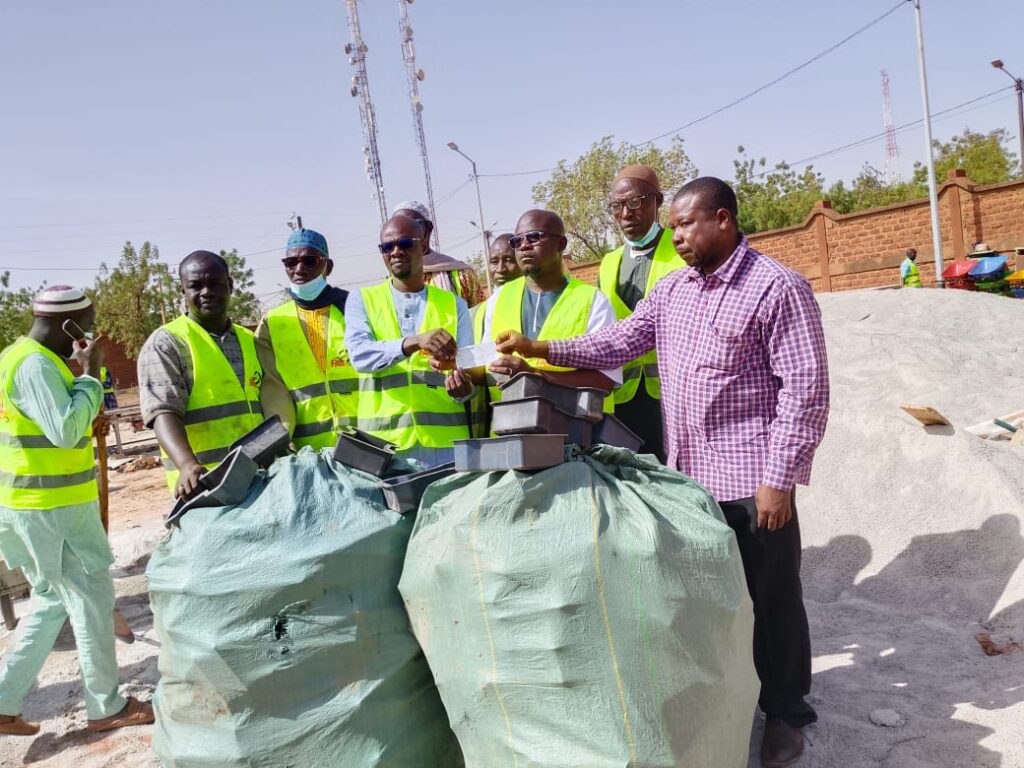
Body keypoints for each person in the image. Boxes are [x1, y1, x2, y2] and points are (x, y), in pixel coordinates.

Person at [496, 178, 829, 768]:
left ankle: (785, 712)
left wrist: (780, 480)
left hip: (753, 485)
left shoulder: (777, 287)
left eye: (685, 225)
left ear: (723, 220)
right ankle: (737, 693)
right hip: (690, 485)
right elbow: (620, 342)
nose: (675, 237)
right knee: (712, 600)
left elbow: (804, 392)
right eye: (672, 227)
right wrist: (539, 348)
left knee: (773, 598)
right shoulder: (675, 290)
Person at [0, 287, 154, 736]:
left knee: (51, 601)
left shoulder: (15, 356)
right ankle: (107, 706)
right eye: (85, 321)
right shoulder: (35, 366)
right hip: (56, 508)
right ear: (67, 324)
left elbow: (52, 424)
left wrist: (85, 408)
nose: (88, 330)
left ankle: (5, 703)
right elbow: (66, 430)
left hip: (32, 504)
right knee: (91, 599)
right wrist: (90, 375)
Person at [344, 214, 473, 468]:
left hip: (446, 446)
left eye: (404, 244)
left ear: (423, 246)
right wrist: (413, 342)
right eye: (387, 247)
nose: (395, 252)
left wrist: (463, 389)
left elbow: (466, 368)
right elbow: (359, 356)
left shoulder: (453, 305)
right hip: (383, 447)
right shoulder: (362, 300)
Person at [138, 251, 266, 499]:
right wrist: (187, 465)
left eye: (215, 284)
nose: (206, 292)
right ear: (182, 291)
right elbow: (162, 411)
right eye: (195, 286)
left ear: (230, 285)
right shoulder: (167, 344)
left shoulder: (251, 340)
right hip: (206, 486)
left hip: (258, 478)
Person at [479, 210, 621, 410]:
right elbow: (486, 365)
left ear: (561, 244)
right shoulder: (499, 299)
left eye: (534, 237)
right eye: (517, 241)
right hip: (511, 432)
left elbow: (605, 380)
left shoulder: (593, 300)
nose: (524, 246)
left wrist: (535, 377)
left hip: (575, 432)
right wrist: (456, 371)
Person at [598, 165, 685, 462]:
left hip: (673, 397)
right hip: (622, 400)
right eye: (617, 206)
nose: (626, 213)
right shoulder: (608, 263)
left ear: (657, 201)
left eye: (635, 202)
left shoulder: (681, 252)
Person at [256, 228, 356, 450]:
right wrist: (281, 440)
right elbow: (274, 392)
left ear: (327, 267)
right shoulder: (272, 324)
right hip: (307, 451)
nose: (299, 268)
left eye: (309, 260)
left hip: (363, 445)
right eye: (291, 262)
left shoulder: (355, 310)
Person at [467, 233, 521, 437]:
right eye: (493, 262)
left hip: (532, 411)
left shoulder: (534, 304)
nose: (500, 269)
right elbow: (481, 363)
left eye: (508, 260)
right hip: (495, 416)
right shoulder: (478, 314)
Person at [391, 201, 485, 306]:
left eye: (412, 224)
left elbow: (479, 315)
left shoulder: (462, 274)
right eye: (397, 226)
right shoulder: (394, 282)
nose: (404, 231)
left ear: (428, 229)